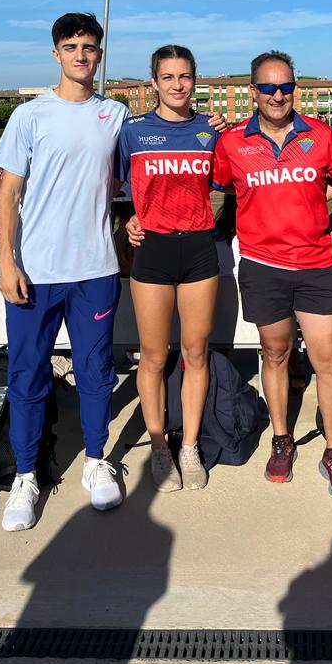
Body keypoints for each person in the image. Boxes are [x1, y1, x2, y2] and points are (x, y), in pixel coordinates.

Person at [0, 12, 131, 532]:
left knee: (96, 371)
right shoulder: (30, 115)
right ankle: (25, 476)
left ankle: (96, 460)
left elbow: (126, 183)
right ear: (56, 54)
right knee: (27, 373)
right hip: (36, 270)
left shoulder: (115, 115)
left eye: (89, 47)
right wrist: (7, 262)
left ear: (99, 54)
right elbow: (9, 193)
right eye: (70, 47)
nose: (80, 55)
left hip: (95, 268)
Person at [211, 51, 332, 498]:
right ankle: (282, 439)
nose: (278, 95)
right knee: (275, 354)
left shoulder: (321, 135)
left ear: (295, 88)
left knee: (329, 360)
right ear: (253, 91)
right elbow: (215, 187)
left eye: (286, 86)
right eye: (268, 87)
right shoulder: (231, 141)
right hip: (262, 266)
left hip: (315, 265)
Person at [117, 45, 221, 494]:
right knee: (154, 355)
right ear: (153, 82)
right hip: (153, 250)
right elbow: (118, 188)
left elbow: (228, 184)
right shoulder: (133, 131)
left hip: (198, 249)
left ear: (195, 80)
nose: (177, 85)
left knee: (196, 353)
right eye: (168, 77)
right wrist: (129, 219)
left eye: (185, 77)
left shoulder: (210, 130)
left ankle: (190, 446)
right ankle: (159, 446)